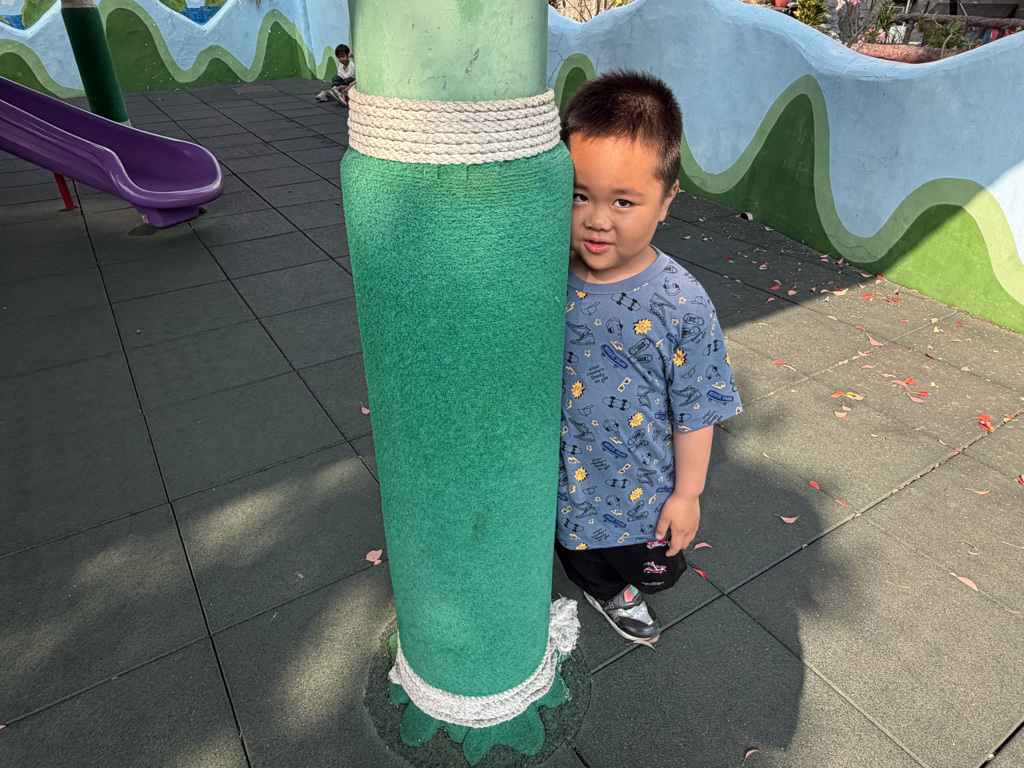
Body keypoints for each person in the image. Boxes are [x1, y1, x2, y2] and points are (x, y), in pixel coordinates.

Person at [555, 70, 742, 643]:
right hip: (559, 485)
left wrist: (687, 496)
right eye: (579, 194)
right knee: (577, 557)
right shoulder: (544, 275)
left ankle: (625, 586)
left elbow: (697, 410)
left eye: (623, 201)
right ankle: (604, 588)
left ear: (666, 200)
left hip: (640, 497)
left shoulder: (681, 303)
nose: (597, 218)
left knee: (653, 570)